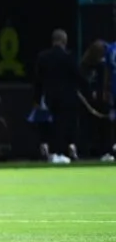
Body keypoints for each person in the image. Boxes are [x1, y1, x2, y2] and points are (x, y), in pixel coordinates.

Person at [33, 29, 85, 164]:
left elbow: (38, 81)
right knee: (66, 124)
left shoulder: (43, 57)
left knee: (48, 125)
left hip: (48, 98)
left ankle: (47, 150)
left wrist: (36, 99)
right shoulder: (69, 57)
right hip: (68, 99)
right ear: (64, 41)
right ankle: (66, 150)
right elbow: (79, 77)